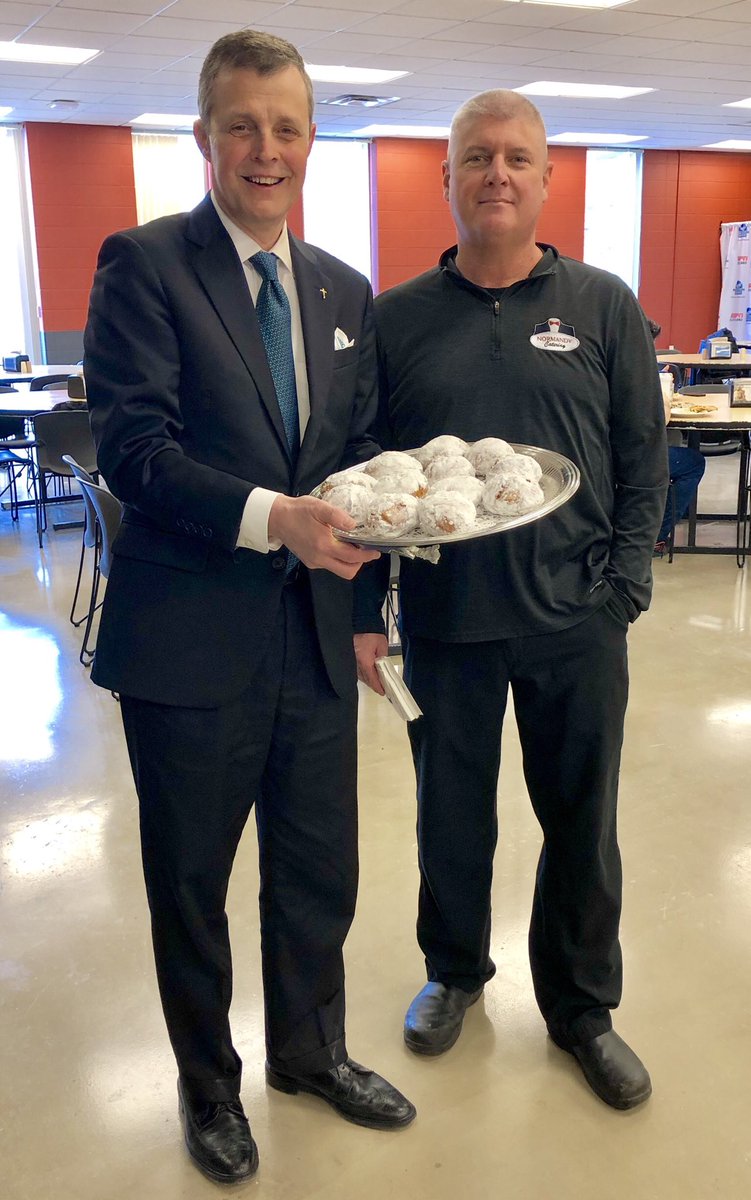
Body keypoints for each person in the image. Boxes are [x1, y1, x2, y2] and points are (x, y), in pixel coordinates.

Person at [84, 29, 415, 1186]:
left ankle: (310, 1056)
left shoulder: (340, 288)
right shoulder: (145, 263)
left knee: (319, 867)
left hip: (321, 640)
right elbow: (135, 447)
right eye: (242, 125)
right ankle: (209, 1086)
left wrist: (371, 605)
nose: (264, 149)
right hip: (189, 643)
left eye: (286, 126)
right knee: (193, 881)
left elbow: (364, 460)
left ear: (312, 139)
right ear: (205, 138)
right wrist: (274, 515)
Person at [354, 89, 667, 1111]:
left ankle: (582, 1010)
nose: (497, 174)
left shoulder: (604, 304)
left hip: (577, 622)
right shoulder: (394, 319)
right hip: (444, 627)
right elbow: (372, 476)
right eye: (477, 157)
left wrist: (623, 585)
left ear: (544, 179)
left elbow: (639, 457)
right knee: (451, 819)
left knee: (583, 821)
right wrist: (366, 612)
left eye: (517, 158)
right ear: (444, 178)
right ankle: (454, 973)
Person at [647, 319, 706, 555]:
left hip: (602, 452)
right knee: (693, 462)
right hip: (626, 455)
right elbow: (658, 418)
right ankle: (657, 536)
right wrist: (661, 384)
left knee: (673, 442)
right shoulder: (636, 370)